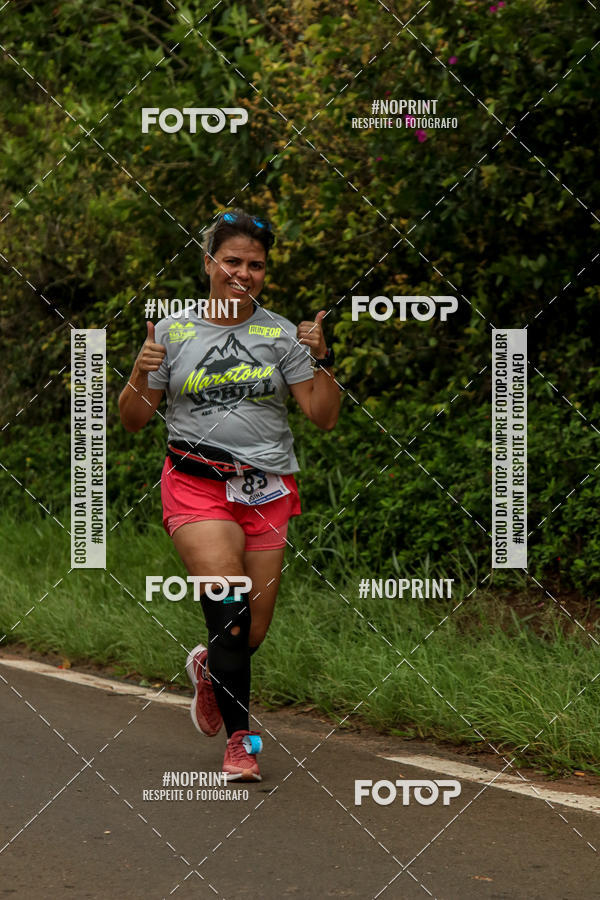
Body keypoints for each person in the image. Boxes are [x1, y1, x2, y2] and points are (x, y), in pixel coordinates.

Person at [118, 208, 340, 781]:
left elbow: (321, 416)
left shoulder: (282, 333)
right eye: (232, 260)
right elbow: (133, 421)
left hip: (266, 490)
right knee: (230, 610)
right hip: (196, 486)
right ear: (209, 263)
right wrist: (141, 374)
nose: (244, 272)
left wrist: (325, 361)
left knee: (251, 631)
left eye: (256, 265)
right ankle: (242, 742)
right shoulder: (171, 332)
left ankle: (208, 666)